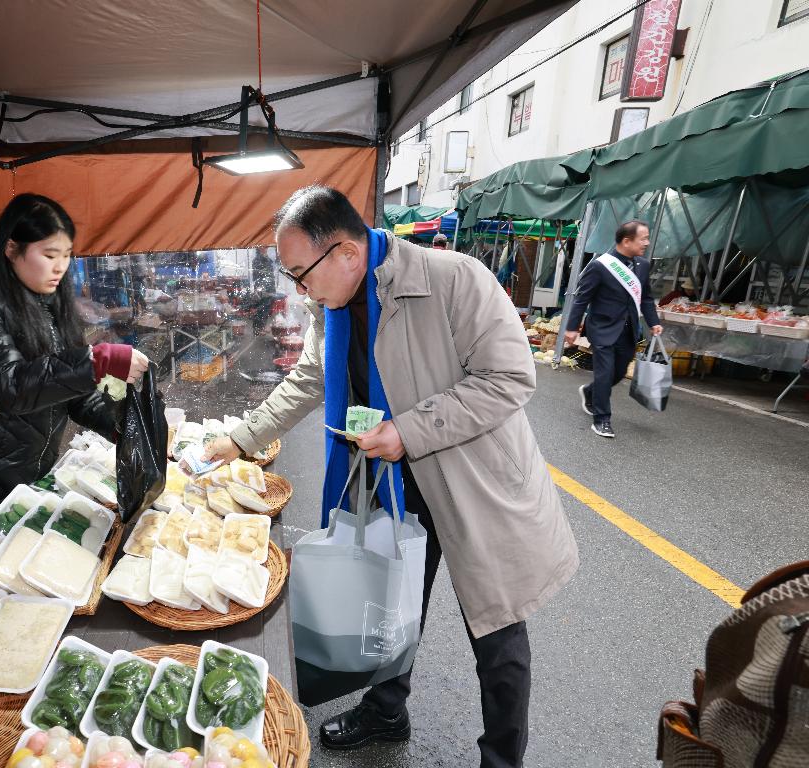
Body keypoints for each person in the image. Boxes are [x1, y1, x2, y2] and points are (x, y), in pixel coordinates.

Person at [205, 185, 577, 768]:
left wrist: (407, 430)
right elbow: (310, 379)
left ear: (346, 253)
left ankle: (503, 759)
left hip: (472, 483)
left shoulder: (455, 280)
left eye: (301, 274)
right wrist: (242, 438)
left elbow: (508, 378)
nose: (300, 289)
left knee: (497, 633)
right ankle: (386, 708)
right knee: (392, 603)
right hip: (393, 482)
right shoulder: (331, 307)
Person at [0, 194, 148, 574]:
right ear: (11, 248)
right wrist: (96, 363)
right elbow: (8, 385)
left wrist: (124, 427)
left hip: (26, 475)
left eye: (67, 255)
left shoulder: (45, 301)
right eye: (49, 254)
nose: (60, 267)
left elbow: (71, 391)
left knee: (24, 580)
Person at [563, 220, 663, 438]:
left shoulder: (643, 266)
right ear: (626, 241)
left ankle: (590, 391)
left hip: (629, 330)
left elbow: (646, 298)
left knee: (618, 373)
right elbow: (582, 299)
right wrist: (572, 328)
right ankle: (602, 420)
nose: (647, 243)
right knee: (605, 373)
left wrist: (653, 322)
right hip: (602, 328)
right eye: (643, 238)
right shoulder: (600, 266)